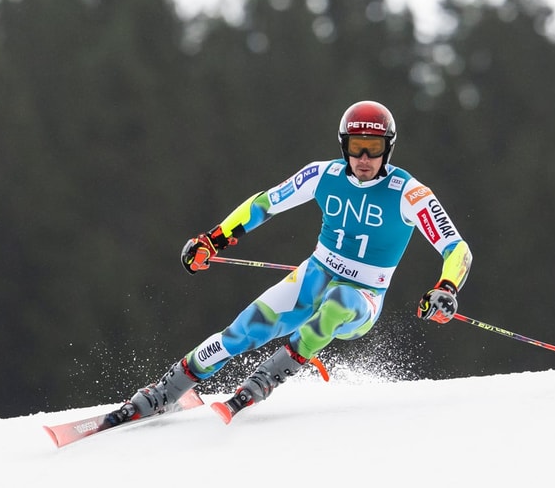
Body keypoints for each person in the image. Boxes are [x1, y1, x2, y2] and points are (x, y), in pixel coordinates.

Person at [106, 100, 472, 425]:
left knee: (336, 304)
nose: (363, 159)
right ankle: (163, 393)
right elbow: (264, 203)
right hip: (314, 276)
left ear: (387, 149)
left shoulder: (409, 192)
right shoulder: (323, 175)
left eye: (373, 149)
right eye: (356, 147)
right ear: (343, 145)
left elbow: (457, 248)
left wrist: (447, 287)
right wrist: (214, 239)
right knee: (240, 333)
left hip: (363, 297)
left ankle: (265, 380)